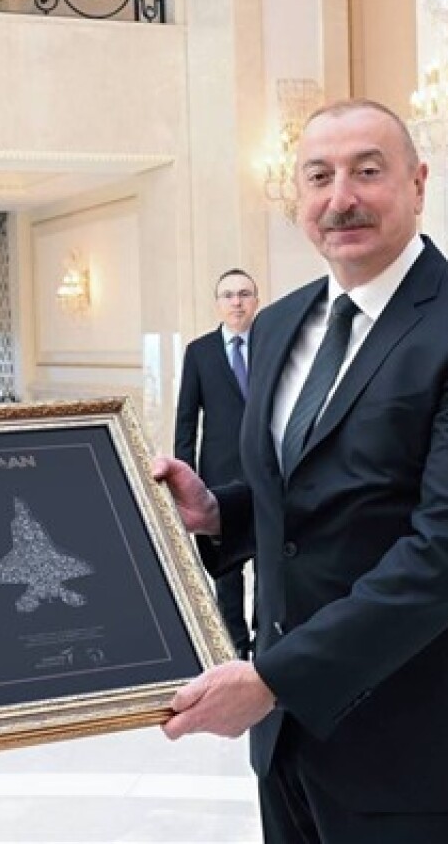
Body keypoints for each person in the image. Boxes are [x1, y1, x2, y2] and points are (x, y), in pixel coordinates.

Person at [153, 99, 448, 844]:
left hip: (412, 732)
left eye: (368, 172)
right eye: (319, 176)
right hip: (285, 733)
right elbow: (313, 491)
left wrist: (273, 678)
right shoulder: (278, 323)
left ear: (418, 183)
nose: (341, 198)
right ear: (297, 196)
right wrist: (221, 512)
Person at [174, 268, 260, 658]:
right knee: (226, 570)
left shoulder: (272, 344)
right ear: (218, 303)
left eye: (244, 294)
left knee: (268, 563)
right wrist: (182, 478)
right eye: (228, 295)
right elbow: (186, 420)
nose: (236, 302)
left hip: (266, 474)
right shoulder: (200, 352)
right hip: (219, 477)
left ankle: (263, 641)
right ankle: (234, 648)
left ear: (256, 301)